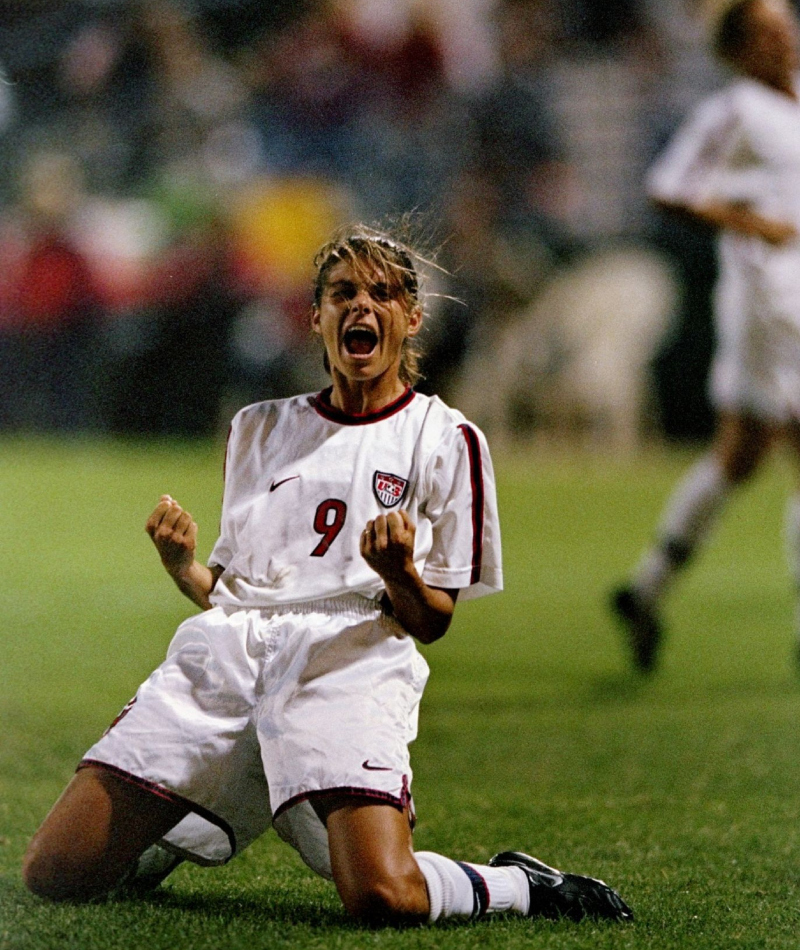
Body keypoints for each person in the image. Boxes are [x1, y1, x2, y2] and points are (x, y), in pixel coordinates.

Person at [22, 227, 632, 925]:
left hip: (348, 662)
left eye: (383, 293)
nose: (361, 307)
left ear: (411, 318)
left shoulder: (444, 438)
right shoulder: (256, 427)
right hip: (227, 656)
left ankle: (519, 886)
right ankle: (164, 829)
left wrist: (400, 571)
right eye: (343, 293)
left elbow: (431, 620)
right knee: (55, 874)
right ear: (316, 317)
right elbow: (239, 596)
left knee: (382, 895)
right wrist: (182, 566)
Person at [612, 0, 800, 672]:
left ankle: (646, 587)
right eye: (770, 35)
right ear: (740, 50)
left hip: (790, 297)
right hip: (766, 299)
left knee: (742, 455)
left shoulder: (791, 103)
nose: (786, 42)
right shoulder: (735, 110)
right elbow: (667, 186)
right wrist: (753, 223)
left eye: (787, 29)